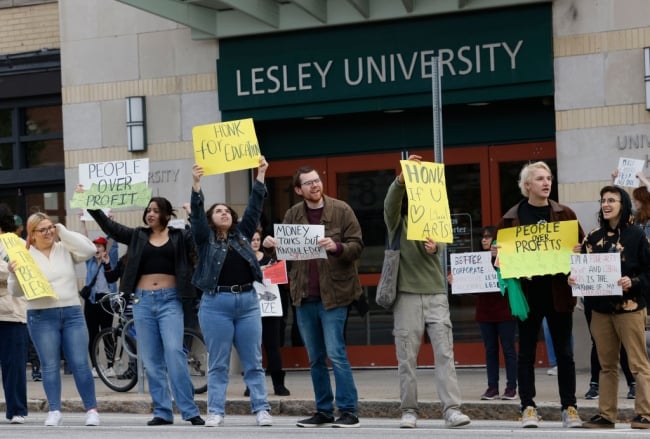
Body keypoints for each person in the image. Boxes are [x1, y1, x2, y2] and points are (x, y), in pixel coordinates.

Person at [87, 199, 204, 426]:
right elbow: (111, 228)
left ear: (167, 215)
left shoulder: (180, 237)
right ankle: (162, 411)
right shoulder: (138, 236)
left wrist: (193, 213)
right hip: (142, 302)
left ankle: (189, 410)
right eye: (148, 210)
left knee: (174, 352)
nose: (150, 214)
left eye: (156, 211)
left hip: (170, 301)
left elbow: (200, 238)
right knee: (151, 359)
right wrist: (90, 205)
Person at [263, 164, 364, 428]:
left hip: (335, 296)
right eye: (307, 183)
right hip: (303, 296)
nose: (314, 185)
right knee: (315, 357)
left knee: (336, 353)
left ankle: (349, 410)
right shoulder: (293, 214)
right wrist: (272, 247)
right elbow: (283, 255)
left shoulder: (341, 210)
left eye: (316, 180)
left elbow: (357, 245)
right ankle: (323, 410)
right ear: (298, 190)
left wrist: (337, 246)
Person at [384, 154, 470, 429]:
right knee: (407, 357)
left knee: (445, 353)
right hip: (407, 294)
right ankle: (409, 410)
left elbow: (442, 245)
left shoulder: (436, 218)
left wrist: (436, 248)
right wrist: (401, 179)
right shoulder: (398, 222)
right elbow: (390, 205)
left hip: (435, 293)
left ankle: (452, 409)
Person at [496, 161, 584, 428]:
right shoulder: (511, 218)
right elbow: (501, 260)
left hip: (558, 293)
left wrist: (579, 256)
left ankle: (569, 407)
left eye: (549, 178)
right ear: (527, 186)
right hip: (527, 295)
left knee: (564, 354)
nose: (546, 183)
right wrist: (497, 259)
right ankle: (528, 407)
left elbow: (582, 252)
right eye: (540, 179)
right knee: (526, 354)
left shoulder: (565, 214)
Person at [190, 159, 273, 427]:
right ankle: (215, 411)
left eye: (227, 210)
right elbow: (197, 215)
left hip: (248, 302)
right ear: (211, 219)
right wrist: (196, 185)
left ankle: (261, 408)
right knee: (218, 363)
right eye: (218, 211)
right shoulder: (205, 239)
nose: (224, 213)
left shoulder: (243, 235)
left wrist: (260, 174)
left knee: (254, 361)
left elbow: (254, 209)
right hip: (216, 304)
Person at [7, 212, 100, 426]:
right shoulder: (25, 255)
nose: (49, 232)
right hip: (41, 315)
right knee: (49, 365)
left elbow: (90, 250)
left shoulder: (64, 248)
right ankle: (54, 410)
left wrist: (62, 230)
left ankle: (92, 410)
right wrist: (13, 273)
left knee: (80, 363)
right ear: (32, 234)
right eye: (43, 229)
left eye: (51, 228)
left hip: (71, 312)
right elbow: (16, 292)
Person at [570, 185, 650, 429]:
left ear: (622, 205)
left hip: (630, 308)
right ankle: (606, 415)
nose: (606, 204)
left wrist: (633, 281)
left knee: (638, 363)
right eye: (603, 200)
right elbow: (581, 270)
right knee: (606, 365)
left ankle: (645, 413)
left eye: (612, 200)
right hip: (601, 311)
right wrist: (574, 278)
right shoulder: (592, 237)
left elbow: (648, 272)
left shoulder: (637, 235)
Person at [243, 229, 290, 397]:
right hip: (249, 309)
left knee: (273, 347)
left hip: (271, 309)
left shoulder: (270, 258)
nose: (255, 242)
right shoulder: (242, 259)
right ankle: (251, 385)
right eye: (252, 239)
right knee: (251, 348)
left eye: (257, 239)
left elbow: (283, 275)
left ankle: (279, 384)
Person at [474, 226, 517, 401]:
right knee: (490, 350)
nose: (484, 240)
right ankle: (492, 387)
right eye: (482, 237)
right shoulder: (476, 260)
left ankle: (511, 387)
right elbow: (473, 287)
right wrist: (457, 282)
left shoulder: (506, 259)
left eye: (488, 237)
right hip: (485, 312)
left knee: (508, 350)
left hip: (504, 311)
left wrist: (497, 258)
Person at [0, 205, 29, 424]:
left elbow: (23, 270)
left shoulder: (18, 244)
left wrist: (9, 272)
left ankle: (17, 409)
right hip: (11, 309)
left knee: (15, 366)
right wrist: (6, 271)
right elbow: (9, 271)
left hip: (13, 313)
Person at [80, 220, 119, 377]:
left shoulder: (110, 261)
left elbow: (114, 243)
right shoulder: (90, 261)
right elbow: (83, 242)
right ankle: (96, 367)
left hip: (106, 300)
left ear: (104, 248)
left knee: (108, 333)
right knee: (92, 334)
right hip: (91, 300)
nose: (97, 248)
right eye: (95, 246)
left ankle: (110, 366)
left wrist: (111, 219)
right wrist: (83, 222)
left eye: (100, 246)